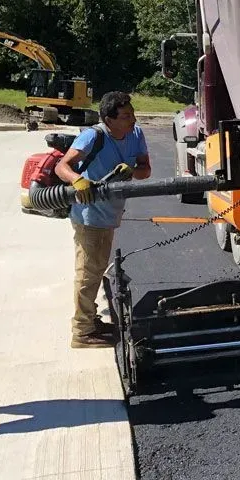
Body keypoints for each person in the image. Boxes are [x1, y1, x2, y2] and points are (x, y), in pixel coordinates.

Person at [55, 91, 150, 348]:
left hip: (111, 212)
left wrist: (133, 171)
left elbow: (146, 171)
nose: (132, 119)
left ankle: (90, 320)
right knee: (87, 272)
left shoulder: (136, 135)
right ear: (109, 120)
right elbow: (61, 166)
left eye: (132, 113)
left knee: (95, 270)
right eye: (126, 116)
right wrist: (77, 179)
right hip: (89, 214)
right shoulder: (94, 136)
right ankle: (83, 332)